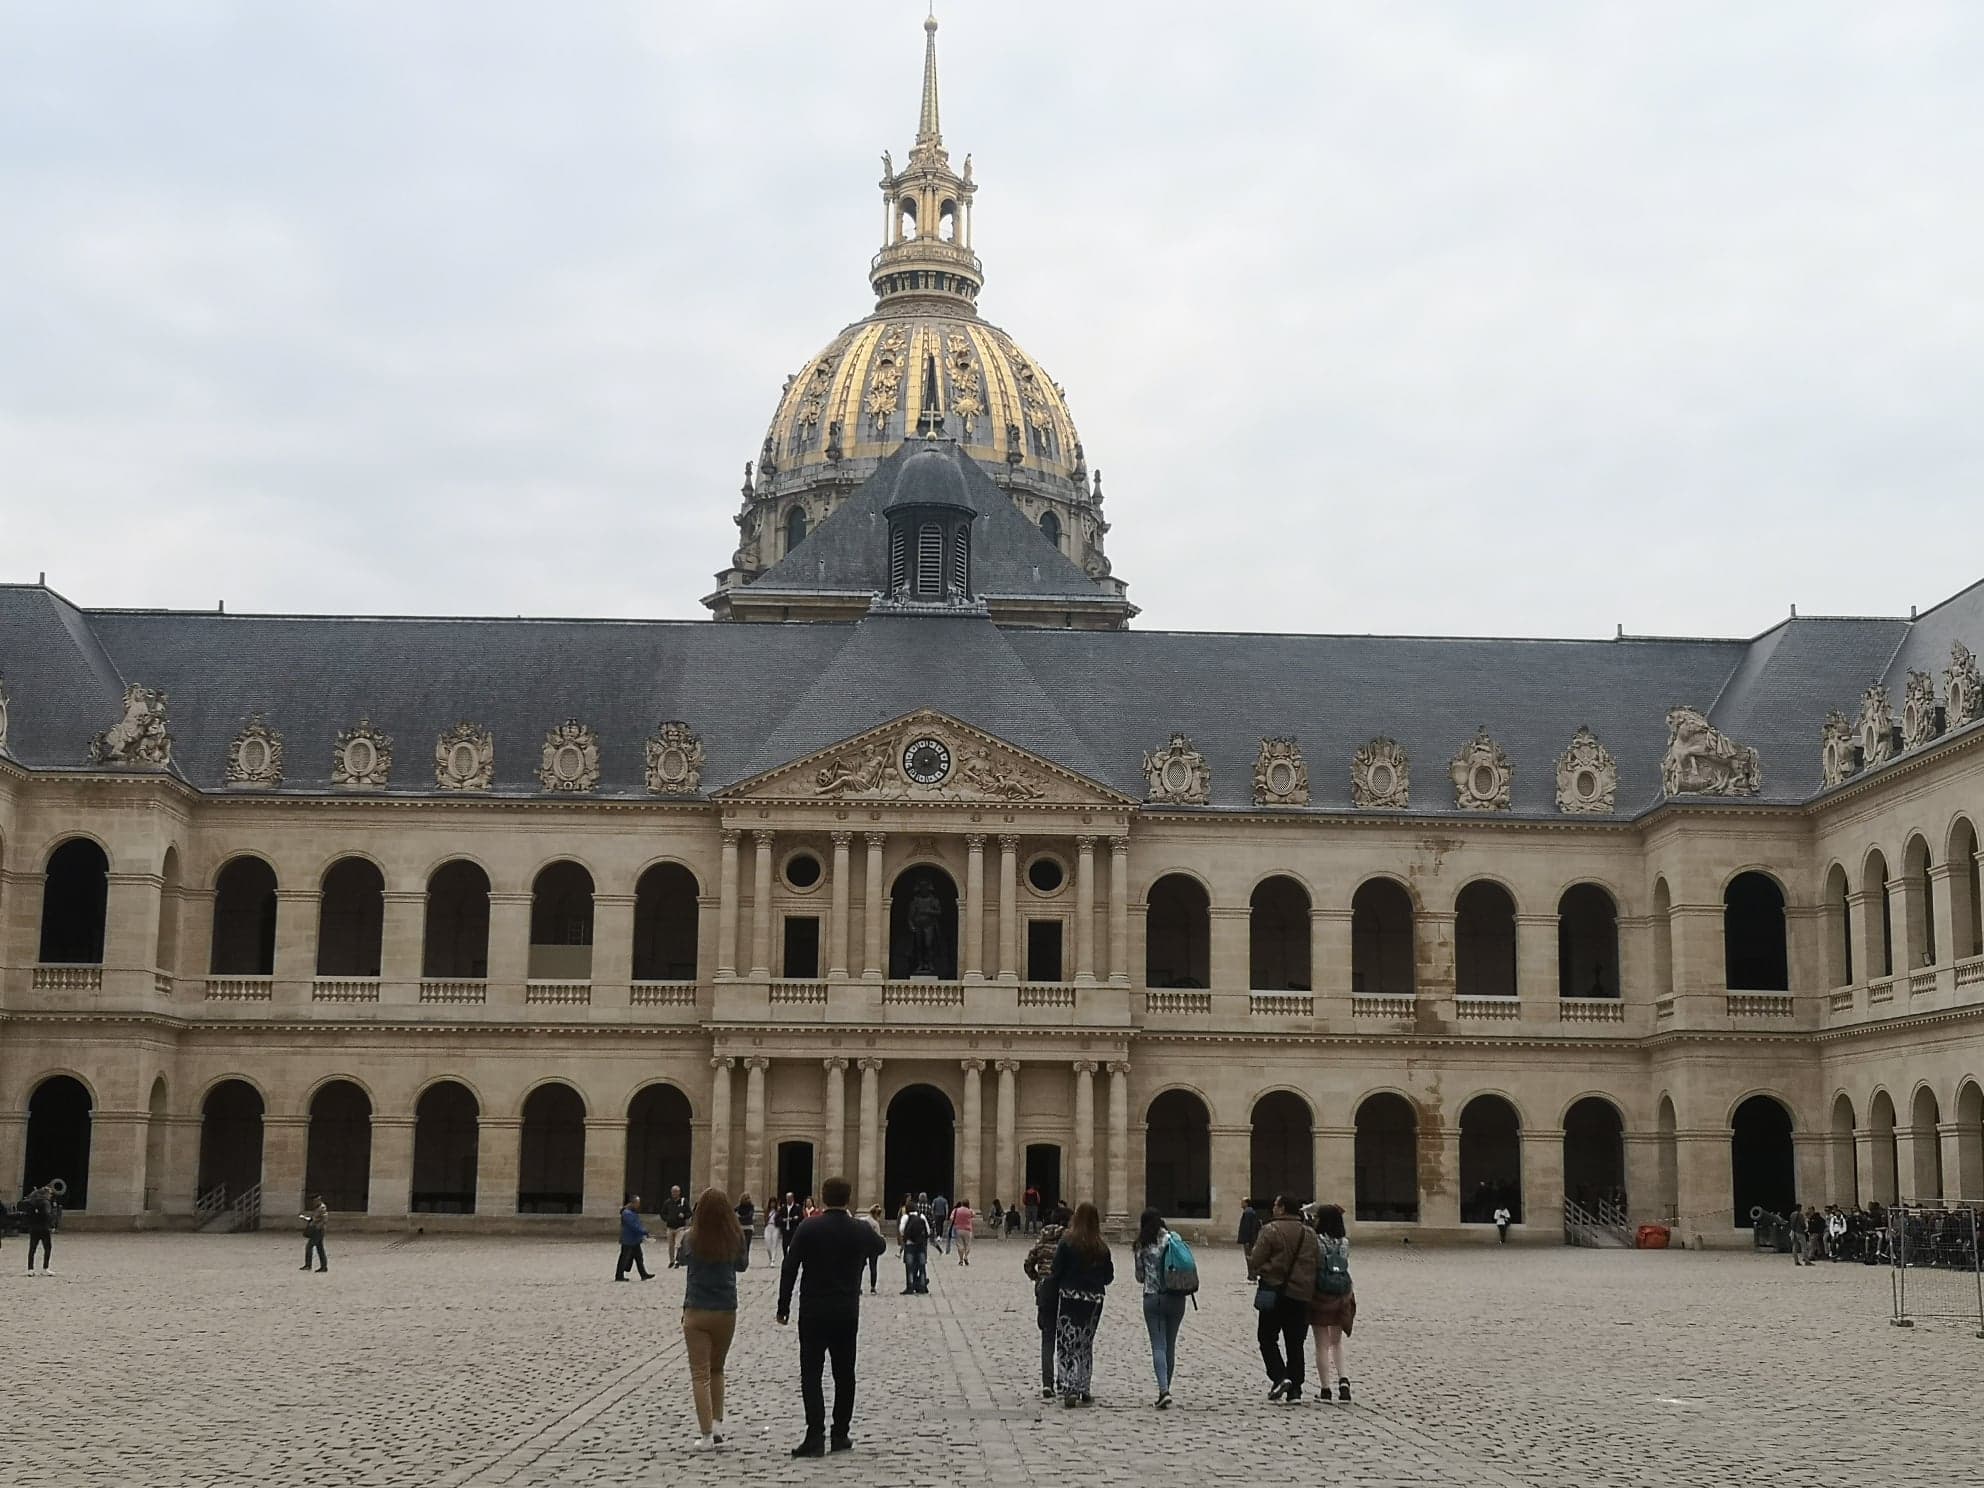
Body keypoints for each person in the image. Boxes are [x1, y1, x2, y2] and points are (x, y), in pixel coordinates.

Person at [777, 1175, 887, 1457]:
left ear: (823, 1197)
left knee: (811, 1374)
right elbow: (881, 1246)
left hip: (813, 1311)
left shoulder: (808, 1227)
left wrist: (783, 1306)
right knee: (844, 1374)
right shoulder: (858, 1229)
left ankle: (815, 1436)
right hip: (846, 1311)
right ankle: (840, 1434)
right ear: (848, 1199)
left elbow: (789, 1267)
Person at [679, 1186, 749, 1449]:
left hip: (696, 1309)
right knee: (717, 1368)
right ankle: (718, 1424)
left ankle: (706, 1434)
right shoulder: (735, 1237)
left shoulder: (690, 1237)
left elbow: (682, 1259)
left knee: (700, 1375)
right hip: (725, 1309)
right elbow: (742, 1266)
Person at [1247, 1193, 1319, 1403]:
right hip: (1301, 1295)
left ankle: (1280, 1376)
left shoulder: (1270, 1230)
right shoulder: (1309, 1234)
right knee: (1295, 1342)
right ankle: (1295, 1389)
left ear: (1281, 1208)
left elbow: (1256, 1259)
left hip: (1274, 1292)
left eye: (1275, 1205)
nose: (1273, 1208)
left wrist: (1262, 1266)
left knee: (1267, 1337)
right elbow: (1318, 1262)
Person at [1049, 1201, 1114, 1406]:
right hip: (1094, 1300)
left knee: (1067, 1341)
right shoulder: (1102, 1247)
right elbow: (1109, 1277)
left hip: (1070, 1296)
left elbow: (1056, 1269)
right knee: (1085, 1343)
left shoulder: (1067, 1242)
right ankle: (1084, 1387)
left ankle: (1068, 1387)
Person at [1133, 1207, 1187, 1409]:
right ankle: (1166, 1389)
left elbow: (1139, 1277)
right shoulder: (1173, 1238)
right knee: (1170, 1345)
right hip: (1176, 1297)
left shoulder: (1142, 1244)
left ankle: (1163, 1390)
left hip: (1153, 1298)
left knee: (1158, 1345)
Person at [1308, 1203, 1356, 1403]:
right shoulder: (1344, 1242)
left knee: (1321, 1344)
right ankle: (1343, 1380)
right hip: (1343, 1292)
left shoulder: (1316, 1241)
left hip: (1321, 1293)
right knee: (1337, 1342)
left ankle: (1325, 1388)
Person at [1023, 1209, 1068, 1398]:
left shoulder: (1042, 1242)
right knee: (1065, 1339)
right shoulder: (1069, 1242)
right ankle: (1063, 1381)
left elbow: (1028, 1263)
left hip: (1044, 1291)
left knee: (1047, 1338)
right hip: (1065, 1292)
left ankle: (1047, 1383)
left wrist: (1038, 1279)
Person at [616, 1194, 654, 1281]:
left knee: (639, 1257)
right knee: (624, 1258)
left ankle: (643, 1274)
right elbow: (634, 1226)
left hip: (634, 1239)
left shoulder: (630, 1212)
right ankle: (619, 1276)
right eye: (637, 1203)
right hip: (628, 1239)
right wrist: (644, 1232)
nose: (638, 1205)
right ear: (633, 1203)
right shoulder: (627, 1213)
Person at [898, 1199, 931, 1293]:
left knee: (909, 1267)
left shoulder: (905, 1217)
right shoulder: (922, 1216)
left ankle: (910, 1287)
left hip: (910, 1245)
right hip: (921, 1245)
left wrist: (907, 1237)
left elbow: (901, 1230)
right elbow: (928, 1231)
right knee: (922, 1266)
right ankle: (922, 1286)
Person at [22, 1185, 55, 1275]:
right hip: (44, 1228)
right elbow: (47, 1215)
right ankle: (45, 1268)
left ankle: (30, 1269)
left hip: (33, 1228)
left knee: (32, 1249)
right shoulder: (45, 1202)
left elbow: (28, 1214)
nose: (51, 1196)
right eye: (50, 1194)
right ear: (47, 1194)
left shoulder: (32, 1202)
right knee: (47, 1248)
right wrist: (52, 1225)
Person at [662, 1185, 692, 1268]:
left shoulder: (683, 1201)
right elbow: (663, 1213)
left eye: (676, 1191)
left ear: (679, 1192)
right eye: (673, 1192)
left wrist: (684, 1215)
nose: (674, 1193)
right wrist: (667, 1218)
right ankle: (671, 1260)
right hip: (670, 1227)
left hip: (680, 1227)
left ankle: (677, 1261)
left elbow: (689, 1213)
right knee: (670, 1245)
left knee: (678, 1244)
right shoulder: (667, 1202)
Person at [300, 1196, 330, 1273]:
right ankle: (323, 1266)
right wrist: (305, 1218)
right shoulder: (317, 1208)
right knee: (320, 1249)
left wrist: (317, 1227)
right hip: (316, 1230)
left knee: (309, 1247)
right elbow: (314, 1219)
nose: (314, 1202)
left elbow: (324, 1219)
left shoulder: (322, 1208)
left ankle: (308, 1265)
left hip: (318, 1231)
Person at [862, 1205, 887, 1293]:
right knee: (873, 1267)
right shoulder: (875, 1223)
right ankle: (873, 1287)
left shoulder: (863, 1220)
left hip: (863, 1246)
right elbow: (877, 1236)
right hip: (873, 1248)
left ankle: (859, 1287)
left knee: (860, 1268)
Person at [951, 1197, 974, 1265]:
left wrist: (956, 1222)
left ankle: (961, 1260)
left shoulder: (956, 1210)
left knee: (960, 1245)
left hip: (958, 1229)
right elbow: (973, 1215)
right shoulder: (969, 1210)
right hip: (967, 1229)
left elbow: (951, 1218)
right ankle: (966, 1257)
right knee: (967, 1244)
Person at [735, 1194, 756, 1259]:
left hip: (748, 1227)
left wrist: (739, 1217)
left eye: (748, 1198)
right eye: (746, 1198)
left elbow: (750, 1216)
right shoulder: (738, 1207)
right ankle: (741, 1257)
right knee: (740, 1244)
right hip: (741, 1227)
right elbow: (731, 1212)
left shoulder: (751, 1206)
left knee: (747, 1243)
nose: (748, 1200)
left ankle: (746, 1258)